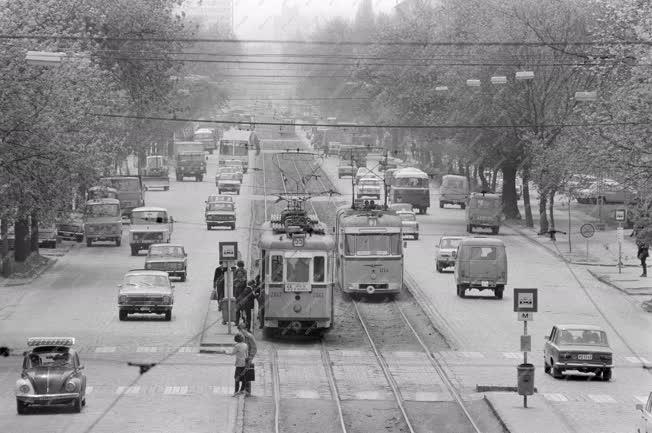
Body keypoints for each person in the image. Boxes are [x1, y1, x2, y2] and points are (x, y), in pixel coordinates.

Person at [237, 322, 257, 396]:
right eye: (239, 330)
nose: (240, 331)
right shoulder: (240, 336)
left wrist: (250, 357)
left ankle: (247, 391)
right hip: (241, 358)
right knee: (241, 373)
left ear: (245, 329)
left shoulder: (250, 337)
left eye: (242, 330)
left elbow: (254, 348)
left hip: (247, 358)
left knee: (247, 373)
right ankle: (242, 389)